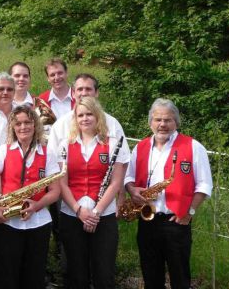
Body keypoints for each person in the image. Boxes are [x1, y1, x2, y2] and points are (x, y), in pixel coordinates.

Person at [124, 98, 212, 289]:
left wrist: (190, 212)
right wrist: (131, 189)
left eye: (167, 120)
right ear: (150, 122)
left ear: (176, 122)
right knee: (151, 277)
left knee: (180, 278)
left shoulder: (193, 147)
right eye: (158, 119)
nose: (162, 124)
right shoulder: (140, 147)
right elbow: (128, 177)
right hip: (147, 220)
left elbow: (205, 185)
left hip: (176, 221)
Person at [0, 105, 61, 289]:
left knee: (34, 276)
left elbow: (55, 191)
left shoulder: (48, 153)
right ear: (13, 127)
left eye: (27, 122)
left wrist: (36, 206)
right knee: (6, 276)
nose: (23, 127)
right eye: (18, 124)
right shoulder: (4, 150)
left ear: (35, 125)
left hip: (39, 223)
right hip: (8, 222)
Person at [57, 97, 128, 288]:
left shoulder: (112, 143)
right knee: (76, 275)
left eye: (89, 114)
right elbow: (62, 183)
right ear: (75, 118)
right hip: (72, 214)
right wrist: (78, 210)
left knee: (104, 274)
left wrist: (95, 213)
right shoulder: (65, 144)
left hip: (103, 216)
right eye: (80, 115)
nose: (85, 119)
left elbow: (116, 182)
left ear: (98, 116)